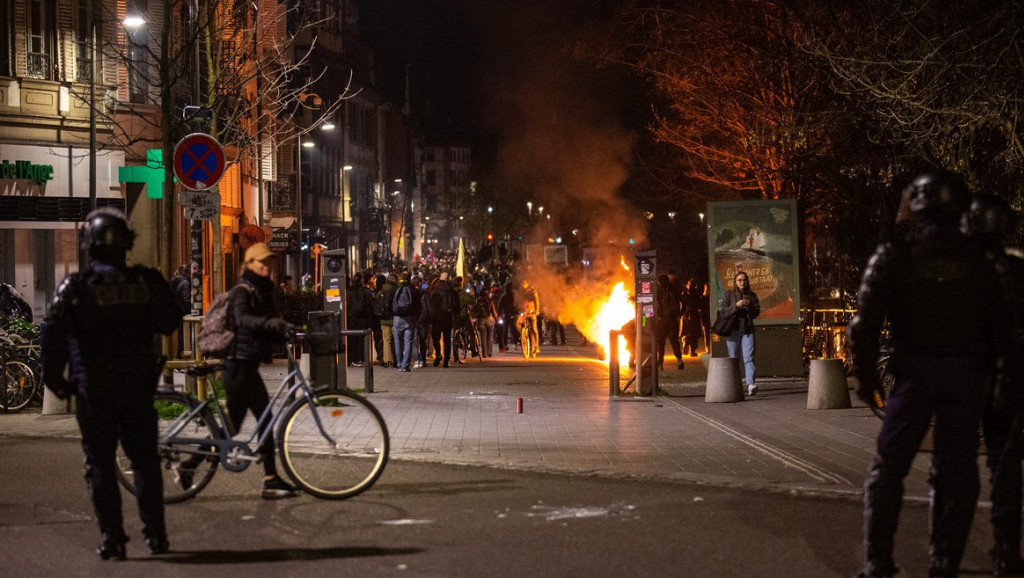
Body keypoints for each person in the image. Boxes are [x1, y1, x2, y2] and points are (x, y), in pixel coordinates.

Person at [848, 171, 1007, 578]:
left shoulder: (896, 257)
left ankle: (878, 561)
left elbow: (863, 325)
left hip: (914, 376)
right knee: (958, 471)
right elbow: (1002, 327)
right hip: (964, 377)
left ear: (917, 208)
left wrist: (866, 383)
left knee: (888, 468)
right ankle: (944, 560)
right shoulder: (982, 262)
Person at [39, 207, 184, 559]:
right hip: (137, 388)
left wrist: (54, 379)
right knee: (145, 462)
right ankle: (157, 536)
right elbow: (169, 321)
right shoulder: (146, 282)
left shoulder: (77, 288)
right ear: (127, 244)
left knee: (100, 465)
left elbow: (52, 334)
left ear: (89, 245)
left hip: (95, 392)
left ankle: (113, 539)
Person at [962, 193, 1024, 576]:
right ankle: (1005, 546)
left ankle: (947, 548)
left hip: (973, 381)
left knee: (963, 464)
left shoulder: (962, 273)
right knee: (1005, 465)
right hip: (1008, 381)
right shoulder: (1015, 270)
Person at [221, 242, 297, 499]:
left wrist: (283, 328)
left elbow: (266, 325)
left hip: (247, 366)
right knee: (242, 425)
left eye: (268, 264)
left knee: (256, 422)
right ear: (249, 264)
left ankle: (271, 479)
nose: (266, 269)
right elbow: (243, 320)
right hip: (238, 366)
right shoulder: (242, 291)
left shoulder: (262, 292)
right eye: (261, 264)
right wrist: (269, 322)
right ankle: (270, 479)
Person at [717, 271, 760, 396]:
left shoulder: (752, 295)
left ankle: (751, 384)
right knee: (734, 359)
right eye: (739, 280)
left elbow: (756, 313)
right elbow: (723, 312)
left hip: (747, 330)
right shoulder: (729, 295)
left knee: (749, 358)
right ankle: (735, 385)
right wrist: (736, 305)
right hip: (733, 330)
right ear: (735, 282)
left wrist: (749, 306)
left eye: (745, 280)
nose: (742, 282)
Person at [392, 272, 420, 372]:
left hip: (397, 318)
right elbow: (418, 306)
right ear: (409, 279)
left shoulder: (395, 289)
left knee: (398, 342)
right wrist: (416, 317)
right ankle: (405, 365)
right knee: (409, 342)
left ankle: (399, 364)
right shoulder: (414, 290)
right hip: (410, 318)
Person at [655, 274, 684, 370]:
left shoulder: (658, 291)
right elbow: (683, 302)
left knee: (661, 341)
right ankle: (679, 359)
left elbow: (657, 304)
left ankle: (660, 363)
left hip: (663, 319)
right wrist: (680, 313)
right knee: (674, 340)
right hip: (672, 318)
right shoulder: (674, 290)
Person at [429, 272, 456, 367]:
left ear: (440, 279)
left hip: (437, 317)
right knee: (447, 339)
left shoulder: (436, 289)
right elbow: (454, 304)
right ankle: (446, 361)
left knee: (436, 337)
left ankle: (438, 354)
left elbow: (432, 304)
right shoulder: (451, 290)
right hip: (448, 316)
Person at [517, 279, 541, 357]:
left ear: (527, 283)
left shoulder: (532, 291)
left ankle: (536, 345)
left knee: (534, 328)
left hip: (531, 311)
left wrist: (537, 311)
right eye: (522, 283)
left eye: (524, 283)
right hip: (523, 311)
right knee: (517, 323)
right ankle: (523, 336)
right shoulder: (520, 292)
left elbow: (536, 301)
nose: (523, 284)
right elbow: (518, 301)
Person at [681, 278, 703, 357]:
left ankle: (685, 343)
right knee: (694, 334)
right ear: (695, 286)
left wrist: (681, 313)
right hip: (694, 314)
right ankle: (692, 351)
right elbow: (700, 304)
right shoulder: (697, 294)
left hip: (686, 314)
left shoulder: (684, 294)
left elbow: (682, 305)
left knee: (686, 331)